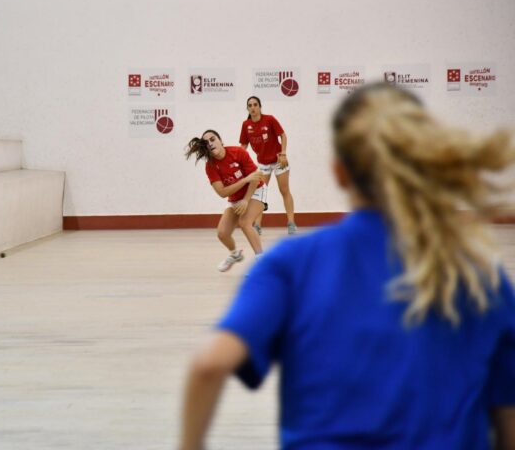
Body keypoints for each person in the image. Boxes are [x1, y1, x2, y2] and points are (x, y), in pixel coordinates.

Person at [180, 83, 515, 449]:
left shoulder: (289, 266)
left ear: (339, 172)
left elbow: (209, 366)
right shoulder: (477, 273)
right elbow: (507, 419)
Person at [185, 129, 266, 272]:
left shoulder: (238, 152)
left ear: (220, 141)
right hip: (236, 198)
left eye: (213, 139)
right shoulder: (210, 166)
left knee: (244, 222)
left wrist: (246, 200)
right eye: (206, 142)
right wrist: (244, 180)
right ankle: (235, 254)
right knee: (222, 233)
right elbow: (222, 192)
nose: (210, 143)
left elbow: (255, 178)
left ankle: (262, 263)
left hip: (256, 190)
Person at [239, 96, 297, 235]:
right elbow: (243, 145)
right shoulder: (246, 125)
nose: (253, 107)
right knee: (260, 195)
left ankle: (291, 223)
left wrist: (283, 153)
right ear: (247, 108)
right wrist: (238, 160)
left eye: (255, 104)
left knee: (284, 190)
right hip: (263, 164)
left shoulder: (269, 119)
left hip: (278, 161)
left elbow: (283, 135)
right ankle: (257, 226)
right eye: (250, 105)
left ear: (260, 107)